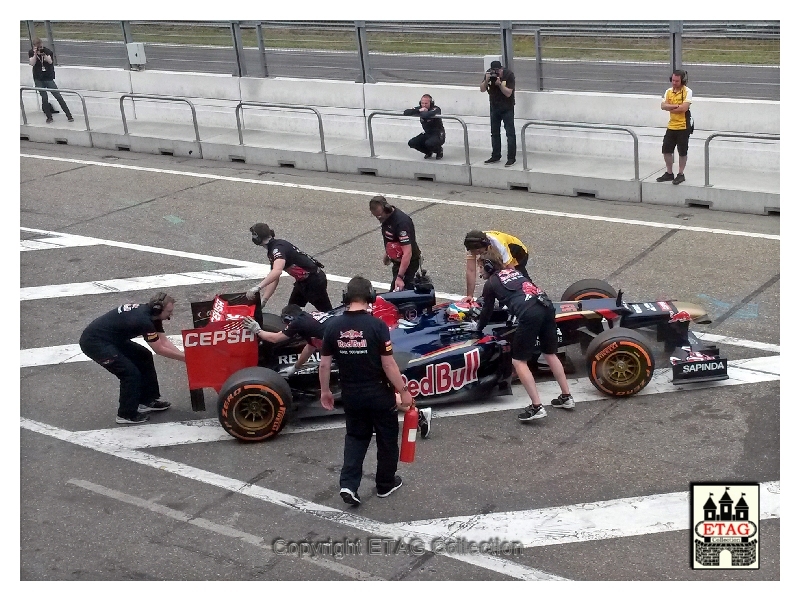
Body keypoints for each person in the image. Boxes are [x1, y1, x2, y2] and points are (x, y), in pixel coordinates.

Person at [319, 276, 414, 507]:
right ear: (370, 297)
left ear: (346, 297)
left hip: (351, 395)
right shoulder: (377, 326)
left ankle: (348, 485)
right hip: (380, 394)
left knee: (355, 438)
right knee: (387, 439)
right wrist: (403, 391)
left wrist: (325, 391)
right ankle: (385, 484)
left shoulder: (332, 326)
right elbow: (389, 364)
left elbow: (324, 364)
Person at [471, 248, 574, 422]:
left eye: (480, 267)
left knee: (518, 361)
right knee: (550, 354)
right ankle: (567, 396)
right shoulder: (514, 271)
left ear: (488, 266)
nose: (479, 271)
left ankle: (536, 406)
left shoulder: (491, 284)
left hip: (529, 314)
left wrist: (478, 329)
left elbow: (487, 311)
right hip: (547, 306)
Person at [78, 292, 185, 425]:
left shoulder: (152, 315)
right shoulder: (144, 321)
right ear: (158, 309)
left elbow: (164, 342)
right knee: (130, 374)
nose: (171, 315)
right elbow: (159, 349)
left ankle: (146, 401)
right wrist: (186, 359)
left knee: (143, 356)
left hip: (111, 339)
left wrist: (185, 356)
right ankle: (126, 414)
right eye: (169, 311)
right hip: (94, 343)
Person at [246, 223, 333, 312]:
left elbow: (277, 271)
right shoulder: (274, 248)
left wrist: (258, 287)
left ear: (258, 237)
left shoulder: (277, 249)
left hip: (314, 282)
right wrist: (264, 300)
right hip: (304, 282)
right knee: (290, 311)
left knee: (327, 313)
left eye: (253, 235)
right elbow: (274, 277)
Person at [242, 304, 327, 375]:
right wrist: (295, 367)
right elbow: (310, 347)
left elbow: (275, 338)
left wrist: (257, 330)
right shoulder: (311, 315)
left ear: (289, 318)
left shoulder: (298, 322)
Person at [368, 196, 422, 292]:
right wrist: (387, 254)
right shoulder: (386, 219)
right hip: (398, 263)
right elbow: (391, 239)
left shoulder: (401, 223)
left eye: (379, 216)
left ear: (387, 209)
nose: (378, 218)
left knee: (397, 296)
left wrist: (400, 277)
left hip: (408, 264)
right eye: (375, 216)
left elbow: (407, 253)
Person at [461, 229, 529, 301]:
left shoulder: (499, 244)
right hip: (495, 252)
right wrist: (469, 295)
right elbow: (471, 270)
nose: (477, 254)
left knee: (514, 280)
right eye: (474, 252)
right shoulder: (471, 245)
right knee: (490, 271)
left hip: (517, 254)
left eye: (479, 251)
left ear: (485, 245)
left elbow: (512, 272)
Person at [657, 69, 693, 186]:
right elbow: (663, 106)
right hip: (671, 125)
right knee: (666, 150)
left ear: (682, 81)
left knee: (682, 152)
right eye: (673, 80)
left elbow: (684, 108)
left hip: (683, 126)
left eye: (677, 81)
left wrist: (670, 107)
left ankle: (681, 173)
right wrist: (677, 105)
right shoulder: (668, 91)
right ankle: (669, 172)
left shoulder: (687, 91)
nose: (674, 83)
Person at [28, 38, 73, 125]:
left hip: (48, 77)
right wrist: (34, 54)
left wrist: (43, 54)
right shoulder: (31, 52)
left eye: (40, 46)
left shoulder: (47, 51)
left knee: (58, 96)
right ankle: (49, 117)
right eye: (37, 47)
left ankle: (69, 115)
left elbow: (50, 61)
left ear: (42, 44)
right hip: (38, 78)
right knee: (44, 98)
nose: (39, 48)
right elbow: (32, 63)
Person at [480, 60, 516, 167]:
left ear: (501, 69)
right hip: (494, 107)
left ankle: (511, 158)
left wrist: (500, 84)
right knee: (494, 133)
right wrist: (486, 81)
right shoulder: (489, 74)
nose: (495, 73)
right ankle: (495, 155)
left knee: (510, 133)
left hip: (507, 108)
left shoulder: (509, 74)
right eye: (493, 71)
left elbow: (509, 93)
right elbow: (482, 89)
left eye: (497, 71)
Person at [403, 94, 445, 160]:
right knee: (412, 142)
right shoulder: (420, 109)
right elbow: (406, 112)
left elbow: (427, 114)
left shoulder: (436, 109)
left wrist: (420, 111)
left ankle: (439, 151)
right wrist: (418, 110)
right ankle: (428, 152)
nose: (424, 105)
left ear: (431, 103)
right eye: (422, 103)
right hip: (427, 133)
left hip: (438, 134)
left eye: (426, 103)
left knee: (429, 143)